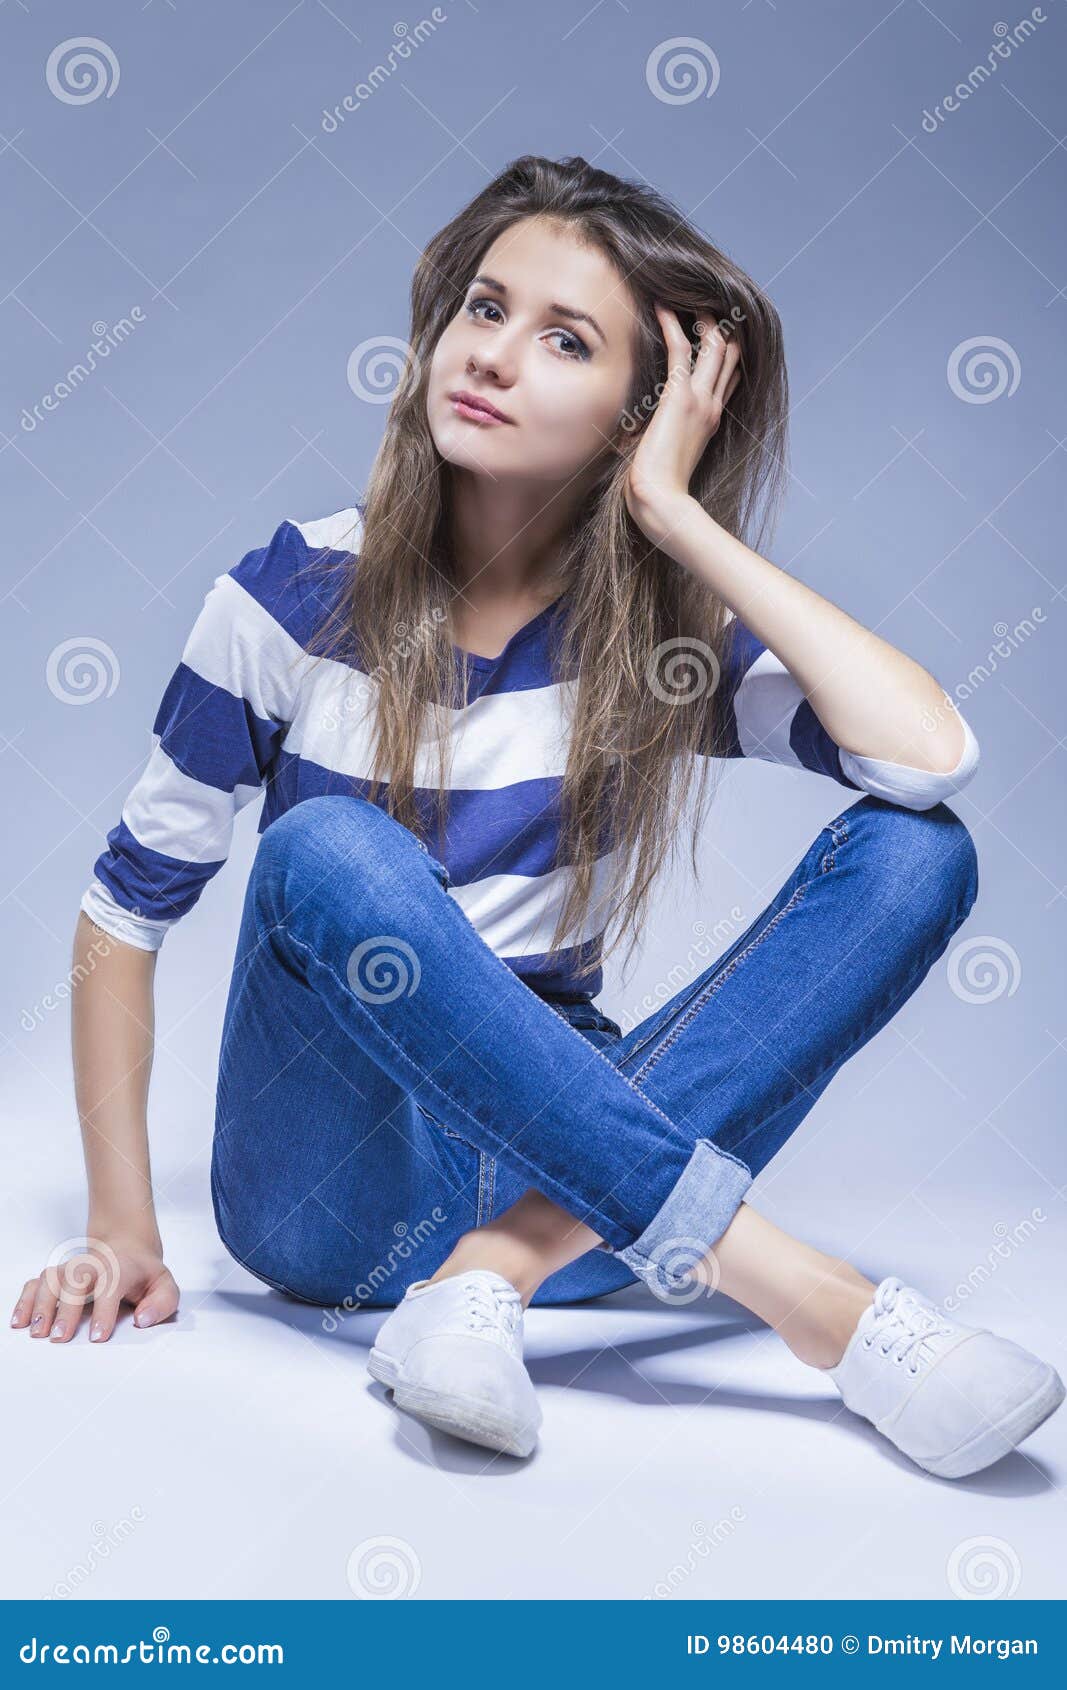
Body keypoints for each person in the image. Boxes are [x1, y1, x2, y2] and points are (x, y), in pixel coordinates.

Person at [15, 155, 1061, 1475]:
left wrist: (678, 518)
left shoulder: (654, 645)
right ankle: (821, 1308)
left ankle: (483, 1284)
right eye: (485, 308)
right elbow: (123, 911)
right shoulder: (290, 594)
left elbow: (930, 759)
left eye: (564, 339)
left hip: (567, 1200)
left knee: (920, 857)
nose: (494, 355)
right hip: (322, 1193)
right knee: (326, 851)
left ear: (639, 416)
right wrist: (125, 1226)